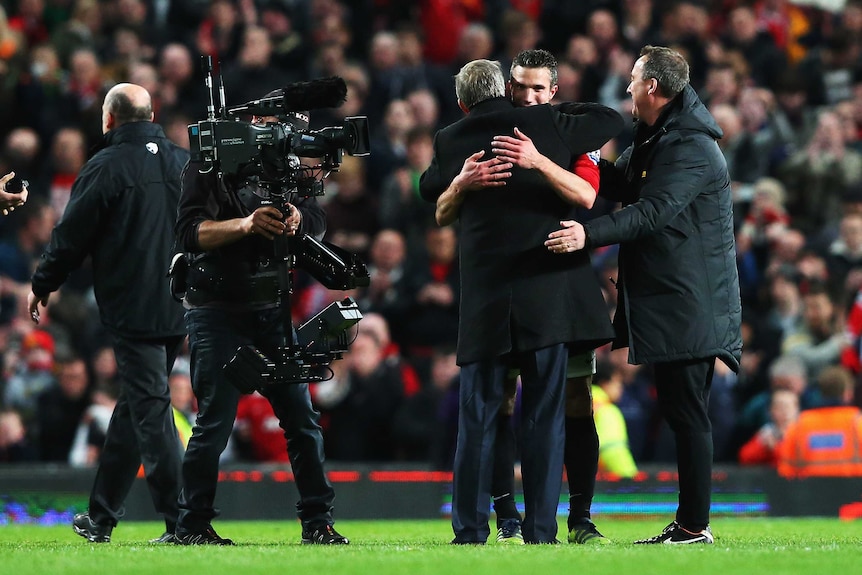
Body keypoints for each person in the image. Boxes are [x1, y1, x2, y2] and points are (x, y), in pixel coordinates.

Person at [419, 58, 623, 545]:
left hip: (486, 299)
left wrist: (459, 184)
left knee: (478, 418)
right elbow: (613, 119)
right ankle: (540, 531)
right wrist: (550, 111)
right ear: (507, 88)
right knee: (545, 418)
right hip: (546, 299)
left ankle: (469, 531)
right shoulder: (552, 125)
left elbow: (430, 196)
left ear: (463, 101)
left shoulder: (451, 139)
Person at [547, 45, 743, 545]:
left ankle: (695, 526)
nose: (628, 87)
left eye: (633, 80)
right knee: (682, 411)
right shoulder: (660, 138)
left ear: (653, 87)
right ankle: (690, 523)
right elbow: (620, 183)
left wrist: (587, 235)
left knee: (687, 413)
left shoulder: (691, 147)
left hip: (690, 300)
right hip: (678, 297)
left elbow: (652, 212)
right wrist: (580, 152)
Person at [173, 95, 348, 545]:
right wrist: (248, 225)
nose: (283, 133)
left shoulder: (284, 168)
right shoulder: (208, 164)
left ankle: (318, 522)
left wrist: (296, 221)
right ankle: (192, 526)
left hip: (272, 310)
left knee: (303, 422)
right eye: (275, 123)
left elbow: (316, 215)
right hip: (217, 312)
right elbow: (190, 232)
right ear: (252, 122)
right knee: (214, 423)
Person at [26, 83, 189, 544]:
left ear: (110, 119)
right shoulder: (183, 161)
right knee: (139, 403)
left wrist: (44, 283)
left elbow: (71, 235)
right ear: (152, 114)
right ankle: (101, 518)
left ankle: (182, 522)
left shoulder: (106, 165)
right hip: (180, 302)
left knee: (151, 406)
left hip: (132, 305)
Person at [485, 48, 611, 545]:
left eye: (540, 88)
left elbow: (586, 196)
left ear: (555, 91)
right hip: (506, 287)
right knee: (502, 403)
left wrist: (537, 161)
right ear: (509, 86)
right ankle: (508, 517)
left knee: (577, 401)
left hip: (564, 288)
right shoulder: (490, 129)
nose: (530, 96)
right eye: (521, 86)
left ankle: (580, 518)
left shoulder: (575, 131)